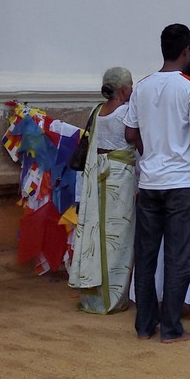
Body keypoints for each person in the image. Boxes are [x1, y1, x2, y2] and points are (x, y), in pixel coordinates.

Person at [125, 23, 190, 344]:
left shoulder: (142, 87)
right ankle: (171, 328)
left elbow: (130, 134)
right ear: (187, 51)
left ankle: (144, 325)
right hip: (182, 185)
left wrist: (152, 151)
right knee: (178, 258)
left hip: (149, 182)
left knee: (146, 257)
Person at [69, 66, 136, 314]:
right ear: (123, 88)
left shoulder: (96, 111)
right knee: (118, 238)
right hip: (121, 179)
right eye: (131, 84)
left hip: (98, 176)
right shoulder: (127, 112)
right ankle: (113, 298)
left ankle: (93, 296)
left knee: (96, 235)